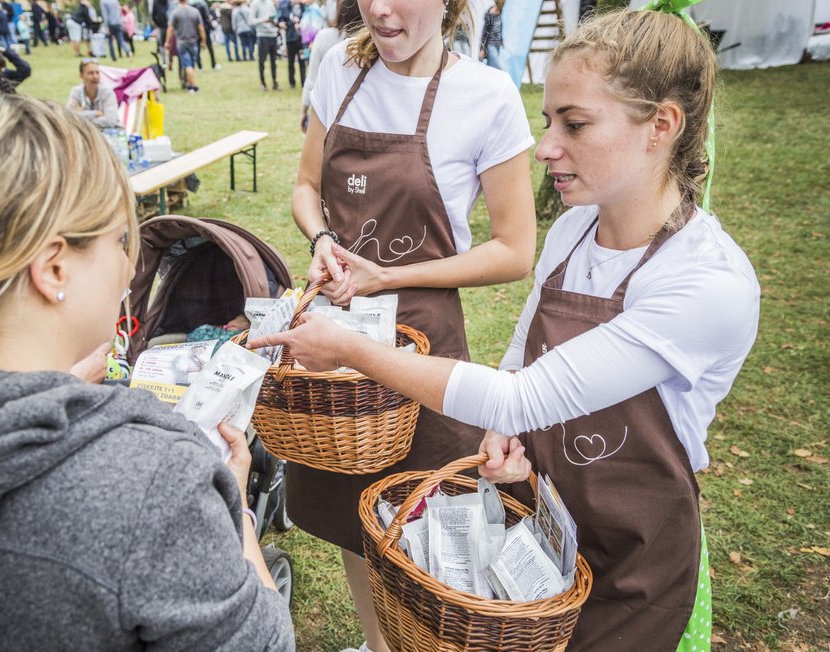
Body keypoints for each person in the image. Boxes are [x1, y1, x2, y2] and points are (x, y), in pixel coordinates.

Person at [257, 8, 760, 651]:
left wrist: (350, 347)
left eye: (573, 124)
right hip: (539, 531)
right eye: (549, 121)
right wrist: (504, 436)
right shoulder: (577, 228)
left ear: (661, 125)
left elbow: (520, 395)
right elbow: (521, 363)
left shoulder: (706, 284)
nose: (546, 146)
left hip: (629, 561)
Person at [0, 92, 295, 651]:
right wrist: (239, 527)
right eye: (120, 239)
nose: (130, 266)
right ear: (54, 266)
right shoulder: (152, 482)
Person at [284, 0, 537, 648]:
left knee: (422, 514)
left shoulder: (486, 96)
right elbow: (306, 185)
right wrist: (321, 240)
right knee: (348, 511)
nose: (378, 8)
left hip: (424, 339)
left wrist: (388, 276)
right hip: (337, 336)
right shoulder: (338, 66)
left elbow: (514, 250)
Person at [300, 0, 357, 132]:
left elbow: (311, 81)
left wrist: (304, 110)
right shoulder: (375, 45)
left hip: (327, 116)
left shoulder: (324, 37)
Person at [166, 0, 207, 93]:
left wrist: (167, 42)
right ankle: (191, 84)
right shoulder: (195, 11)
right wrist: (203, 41)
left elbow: (170, 28)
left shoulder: (175, 12)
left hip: (181, 42)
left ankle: (193, 86)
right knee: (191, 65)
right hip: (194, 42)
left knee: (187, 65)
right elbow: (201, 28)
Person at [67, 58, 121, 127]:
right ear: (81, 75)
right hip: (84, 134)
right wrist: (96, 113)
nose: (95, 77)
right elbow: (69, 117)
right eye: (90, 73)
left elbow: (110, 121)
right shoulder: (76, 92)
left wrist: (81, 115)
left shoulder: (107, 93)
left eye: (97, 73)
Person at [250, 0, 281, 90]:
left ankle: (274, 81)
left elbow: (274, 16)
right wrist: (263, 20)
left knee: (274, 61)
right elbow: (251, 21)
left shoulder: (270, 2)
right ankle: (263, 83)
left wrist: (275, 21)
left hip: (273, 34)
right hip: (262, 35)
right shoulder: (255, 3)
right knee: (262, 61)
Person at [279, 0, 306, 89]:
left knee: (302, 63)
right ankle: (292, 83)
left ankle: (303, 82)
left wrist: (300, 22)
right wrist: (283, 23)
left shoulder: (304, 8)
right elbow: (281, 19)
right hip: (290, 40)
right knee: (290, 62)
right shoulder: (286, 7)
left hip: (302, 40)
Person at [479, 0, 503, 69]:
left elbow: (499, 27)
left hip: (497, 44)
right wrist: (482, 48)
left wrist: (501, 39)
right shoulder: (491, 14)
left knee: (491, 67)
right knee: (496, 67)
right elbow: (485, 32)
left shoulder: (500, 11)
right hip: (491, 44)